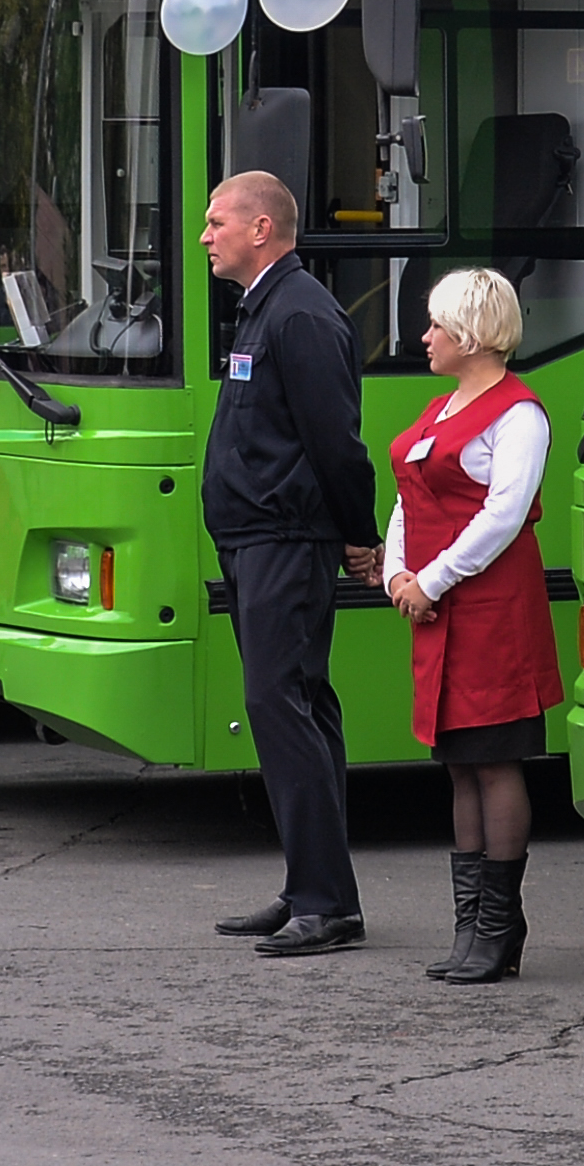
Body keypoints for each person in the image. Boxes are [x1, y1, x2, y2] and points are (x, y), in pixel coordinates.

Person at [196, 170, 376, 956]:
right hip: (253, 540)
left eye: (216, 222)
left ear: (261, 230)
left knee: (280, 705)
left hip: (285, 541)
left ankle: (325, 903)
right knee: (295, 706)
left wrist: (357, 533)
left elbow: (337, 441)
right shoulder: (264, 308)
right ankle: (315, 885)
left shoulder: (301, 315)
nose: (205, 236)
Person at [384, 267, 560, 984]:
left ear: (473, 334)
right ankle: (471, 929)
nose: (424, 337)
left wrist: (429, 579)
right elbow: (407, 499)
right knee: (459, 764)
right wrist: (398, 571)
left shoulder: (520, 415)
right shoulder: (440, 408)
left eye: (436, 326)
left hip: (490, 611)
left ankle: (498, 927)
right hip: (441, 606)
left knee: (494, 760)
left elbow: (504, 517)